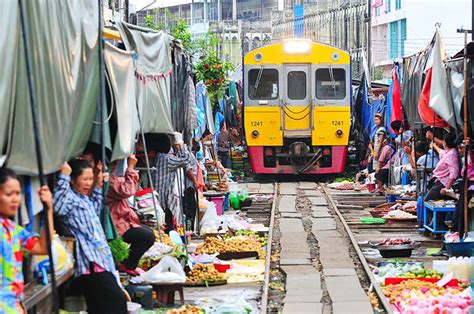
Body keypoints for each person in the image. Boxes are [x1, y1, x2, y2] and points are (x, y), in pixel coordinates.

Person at [54, 160, 127, 314]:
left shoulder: (83, 199)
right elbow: (57, 207)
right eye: (85, 179)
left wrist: (99, 184)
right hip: (91, 266)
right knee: (117, 303)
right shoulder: (69, 198)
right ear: (73, 180)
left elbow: (96, 206)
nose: (88, 183)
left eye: (90, 179)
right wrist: (64, 177)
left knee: (100, 307)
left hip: (102, 261)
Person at [0, 168, 54, 314]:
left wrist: (48, 209)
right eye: (9, 194)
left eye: (18, 193)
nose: (15, 199)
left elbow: (43, 247)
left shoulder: (13, 230)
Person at [107, 154, 154, 276]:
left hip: (121, 219)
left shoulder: (109, 176)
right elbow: (126, 190)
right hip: (114, 223)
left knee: (147, 232)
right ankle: (127, 265)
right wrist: (131, 167)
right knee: (147, 236)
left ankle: (127, 263)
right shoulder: (105, 179)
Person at [150, 133, 192, 232]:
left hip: (154, 199)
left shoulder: (154, 158)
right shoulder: (166, 159)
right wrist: (180, 143)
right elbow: (185, 159)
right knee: (167, 227)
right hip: (164, 200)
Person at [425, 132, 460, 202]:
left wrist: (446, 188)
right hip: (439, 181)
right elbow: (442, 152)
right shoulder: (449, 152)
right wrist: (434, 145)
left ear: (445, 143)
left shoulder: (452, 154)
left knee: (427, 201)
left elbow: (454, 173)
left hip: (443, 183)